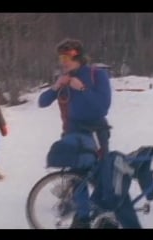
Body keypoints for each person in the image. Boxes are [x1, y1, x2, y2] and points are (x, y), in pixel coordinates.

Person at [38, 38, 112, 228]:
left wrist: (83, 88)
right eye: (60, 57)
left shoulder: (97, 75)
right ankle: (83, 217)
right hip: (72, 133)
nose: (63, 61)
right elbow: (42, 102)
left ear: (78, 56)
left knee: (99, 175)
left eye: (67, 57)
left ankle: (103, 214)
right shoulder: (63, 80)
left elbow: (102, 107)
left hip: (96, 132)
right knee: (76, 176)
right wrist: (56, 87)